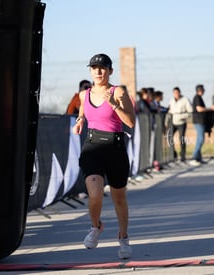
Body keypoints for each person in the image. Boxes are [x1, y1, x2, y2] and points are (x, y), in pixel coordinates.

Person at [72, 53, 135, 259]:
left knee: (119, 198)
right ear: (90, 71)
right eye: (94, 68)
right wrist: (80, 120)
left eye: (102, 68)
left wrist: (114, 105)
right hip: (92, 148)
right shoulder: (84, 94)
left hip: (115, 149)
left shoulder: (118, 92)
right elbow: (83, 110)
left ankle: (124, 239)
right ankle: (96, 227)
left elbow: (131, 122)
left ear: (110, 71)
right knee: (95, 195)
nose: (98, 72)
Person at [189, 84, 214, 166]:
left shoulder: (199, 98)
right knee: (200, 139)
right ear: (200, 90)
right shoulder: (197, 97)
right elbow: (199, 109)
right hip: (198, 121)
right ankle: (194, 158)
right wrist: (211, 108)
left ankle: (198, 158)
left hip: (201, 121)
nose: (204, 91)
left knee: (200, 139)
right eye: (203, 89)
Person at [167, 86, 193, 163]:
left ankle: (182, 155)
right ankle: (173, 154)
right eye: (174, 93)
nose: (176, 94)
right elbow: (169, 111)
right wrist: (166, 122)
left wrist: (182, 116)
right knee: (169, 137)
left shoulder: (185, 100)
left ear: (180, 92)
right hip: (173, 122)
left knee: (181, 138)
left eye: (177, 92)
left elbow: (190, 111)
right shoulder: (171, 101)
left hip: (181, 122)